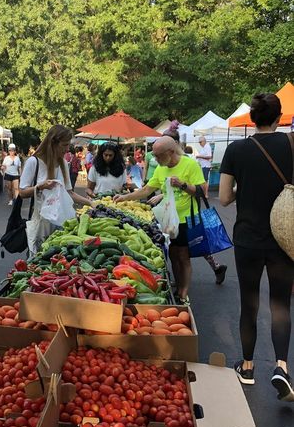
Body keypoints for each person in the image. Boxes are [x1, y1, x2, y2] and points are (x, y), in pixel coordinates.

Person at [219, 93, 294, 401]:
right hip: (284, 236)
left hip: (248, 238)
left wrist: (245, 186)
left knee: (248, 303)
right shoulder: (291, 144)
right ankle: (281, 367)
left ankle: (247, 367)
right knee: (280, 305)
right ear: (279, 118)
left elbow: (223, 197)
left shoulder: (236, 149)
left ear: (252, 118)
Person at [114, 136, 205, 304]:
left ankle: (184, 293)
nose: (155, 159)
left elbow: (202, 191)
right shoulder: (161, 169)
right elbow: (147, 190)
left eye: (158, 156)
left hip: (185, 219)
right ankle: (178, 286)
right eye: (154, 156)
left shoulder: (190, 165)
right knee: (173, 254)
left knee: (183, 256)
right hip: (167, 221)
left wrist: (183, 185)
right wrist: (125, 197)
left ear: (171, 152)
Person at [165, 129, 227, 285]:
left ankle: (212, 269)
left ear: (175, 144)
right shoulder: (167, 163)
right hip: (174, 213)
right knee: (193, 243)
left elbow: (201, 188)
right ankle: (216, 267)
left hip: (190, 212)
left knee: (196, 242)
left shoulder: (186, 161)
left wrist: (182, 185)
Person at [19, 125, 92, 253]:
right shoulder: (33, 162)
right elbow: (22, 192)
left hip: (61, 225)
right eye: (64, 145)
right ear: (53, 143)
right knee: (39, 258)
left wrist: (91, 203)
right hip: (41, 223)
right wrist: (40, 186)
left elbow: (70, 193)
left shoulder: (63, 163)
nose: (67, 149)